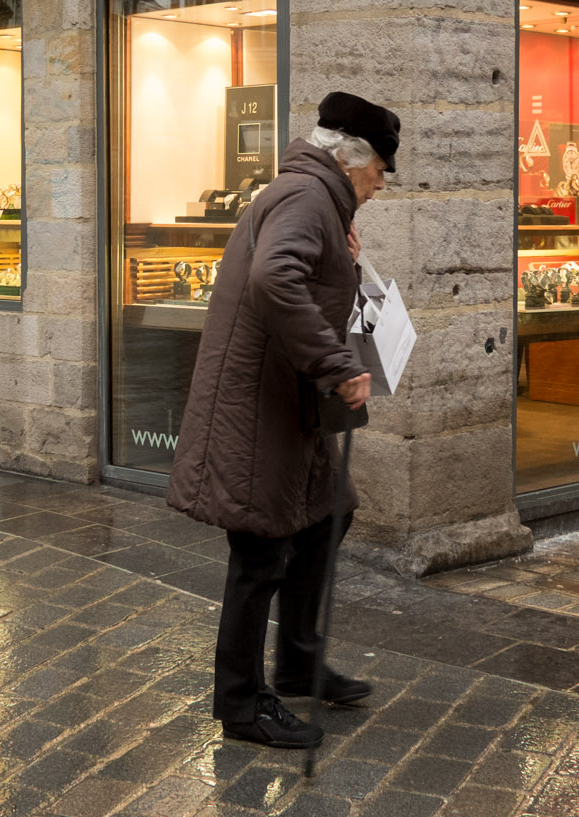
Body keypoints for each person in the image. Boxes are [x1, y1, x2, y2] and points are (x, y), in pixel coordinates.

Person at [167, 92, 400, 750]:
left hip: (286, 401)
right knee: (259, 549)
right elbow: (275, 277)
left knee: (330, 509)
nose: (382, 183)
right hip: (259, 406)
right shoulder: (306, 197)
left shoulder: (318, 198)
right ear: (352, 159)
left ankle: (297, 661)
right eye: (381, 169)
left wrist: (347, 261)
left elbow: (306, 279)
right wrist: (335, 362)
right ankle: (241, 703)